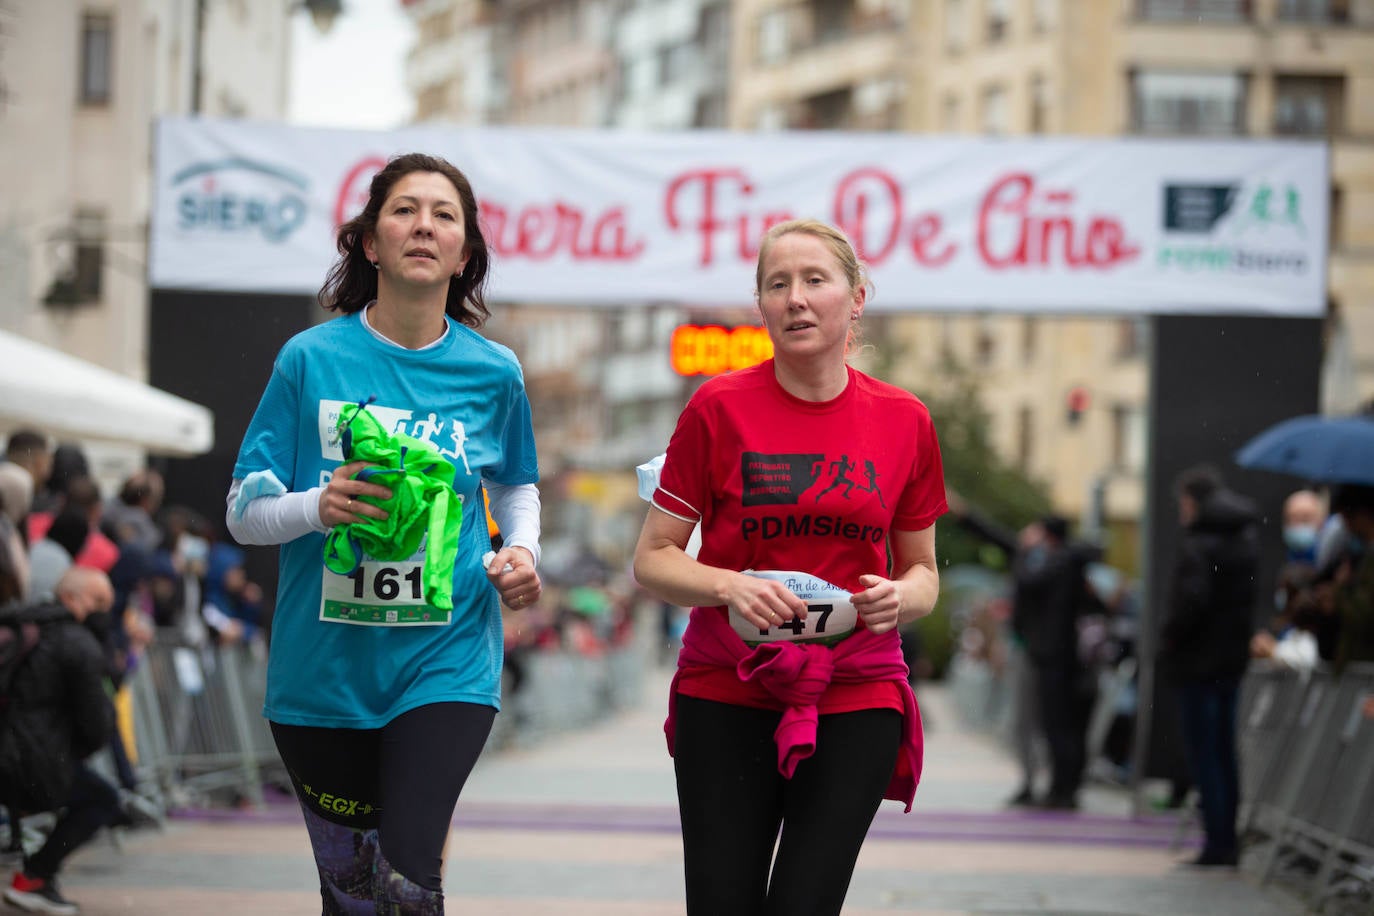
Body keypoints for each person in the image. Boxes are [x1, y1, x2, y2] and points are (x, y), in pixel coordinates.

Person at [225, 151, 542, 913]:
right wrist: (317, 507)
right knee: (352, 894)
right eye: (404, 210)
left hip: (447, 659)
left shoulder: (493, 372)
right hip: (321, 676)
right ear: (370, 242)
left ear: (464, 255)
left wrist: (521, 551)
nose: (423, 226)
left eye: (444, 215)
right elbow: (242, 512)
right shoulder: (310, 360)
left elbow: (515, 481)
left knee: (407, 877)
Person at [633, 219, 945, 916]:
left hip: (856, 690)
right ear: (761, 306)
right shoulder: (717, 407)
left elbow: (923, 572)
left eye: (815, 280)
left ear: (856, 297)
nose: (796, 299)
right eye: (778, 285)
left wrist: (902, 597)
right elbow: (652, 559)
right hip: (727, 686)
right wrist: (728, 584)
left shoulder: (905, 421)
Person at [2, 568, 124, 915]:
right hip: (29, 758)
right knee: (102, 799)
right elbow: (97, 721)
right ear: (69, 598)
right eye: (98, 601)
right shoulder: (77, 641)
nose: (104, 610)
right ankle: (35, 877)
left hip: (15, 750)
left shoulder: (24, 623)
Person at [1158, 464, 1260, 868]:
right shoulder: (1245, 538)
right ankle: (1227, 836)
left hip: (1198, 663)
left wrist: (1170, 638)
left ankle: (1217, 842)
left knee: (1204, 754)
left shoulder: (1198, 543)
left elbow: (1191, 602)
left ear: (1193, 501)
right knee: (1225, 752)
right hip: (1230, 662)